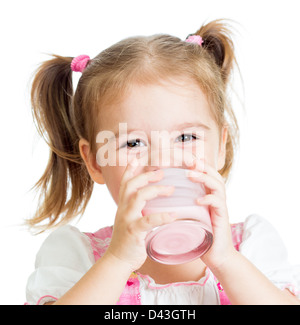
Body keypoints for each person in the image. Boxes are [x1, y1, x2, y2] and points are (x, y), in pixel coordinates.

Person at [25, 19, 300, 305]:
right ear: (95, 162)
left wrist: (226, 260)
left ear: (221, 146)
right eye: (132, 143)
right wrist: (117, 260)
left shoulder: (252, 248)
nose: (163, 161)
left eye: (185, 137)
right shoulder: (77, 257)